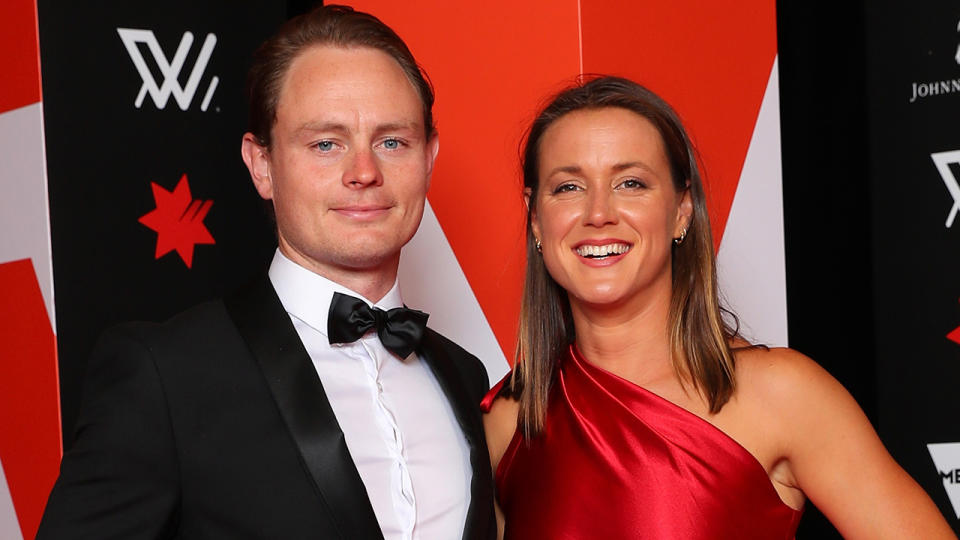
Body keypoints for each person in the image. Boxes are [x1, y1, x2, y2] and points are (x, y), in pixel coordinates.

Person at [37, 5, 495, 539]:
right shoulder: (165, 376)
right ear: (261, 165)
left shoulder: (466, 377)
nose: (365, 172)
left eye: (392, 142)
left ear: (429, 158)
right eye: (326, 144)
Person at [481, 76, 955, 539]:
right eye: (568, 187)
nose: (599, 212)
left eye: (630, 183)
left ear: (682, 210)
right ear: (536, 217)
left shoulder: (783, 395)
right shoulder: (508, 420)